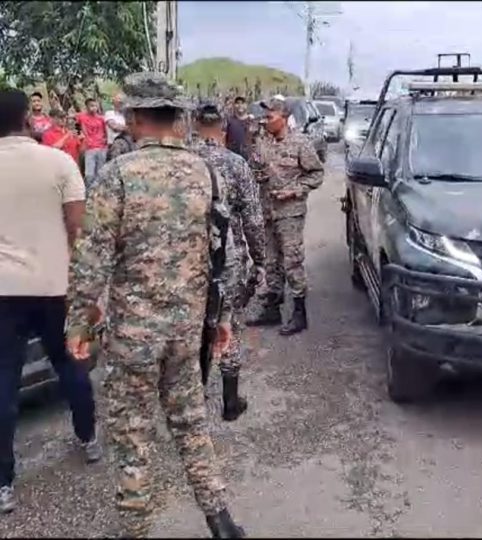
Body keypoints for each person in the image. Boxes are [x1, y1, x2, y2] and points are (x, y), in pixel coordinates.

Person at [66, 72, 245, 538]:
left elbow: (91, 260)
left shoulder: (117, 175)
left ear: (136, 117)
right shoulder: (205, 172)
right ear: (176, 116)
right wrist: (223, 320)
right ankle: (221, 520)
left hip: (133, 339)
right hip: (186, 332)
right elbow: (224, 252)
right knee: (190, 424)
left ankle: (137, 531)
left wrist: (78, 326)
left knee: (132, 438)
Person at [0, 89, 100, 515]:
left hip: (4, 291)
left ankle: (3, 482)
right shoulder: (59, 162)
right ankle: (89, 437)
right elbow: (79, 229)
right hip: (56, 286)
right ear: (27, 117)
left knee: (4, 380)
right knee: (70, 363)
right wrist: (89, 290)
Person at [191, 100, 265, 421]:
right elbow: (253, 219)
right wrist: (259, 260)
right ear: (222, 128)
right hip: (227, 259)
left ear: (195, 126)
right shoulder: (236, 164)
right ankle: (230, 402)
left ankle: (193, 400)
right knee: (229, 324)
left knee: (193, 327)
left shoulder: (185, 163)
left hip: (188, 262)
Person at [246, 97, 324, 335]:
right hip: (267, 210)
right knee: (271, 261)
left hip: (289, 213)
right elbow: (256, 167)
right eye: (264, 116)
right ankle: (272, 308)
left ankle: (299, 313)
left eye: (270, 117)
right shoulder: (263, 142)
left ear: (284, 117)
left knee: (292, 261)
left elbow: (316, 174)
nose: (265, 121)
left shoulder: (300, 143)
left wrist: (294, 191)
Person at [75, 98, 108, 192]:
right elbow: (71, 119)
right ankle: (89, 193)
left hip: (101, 147)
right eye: (91, 106)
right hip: (89, 148)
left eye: (96, 106)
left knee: (101, 172)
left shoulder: (101, 118)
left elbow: (105, 131)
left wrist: (105, 141)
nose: (94, 108)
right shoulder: (82, 116)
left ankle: (99, 193)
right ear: (87, 107)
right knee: (89, 174)